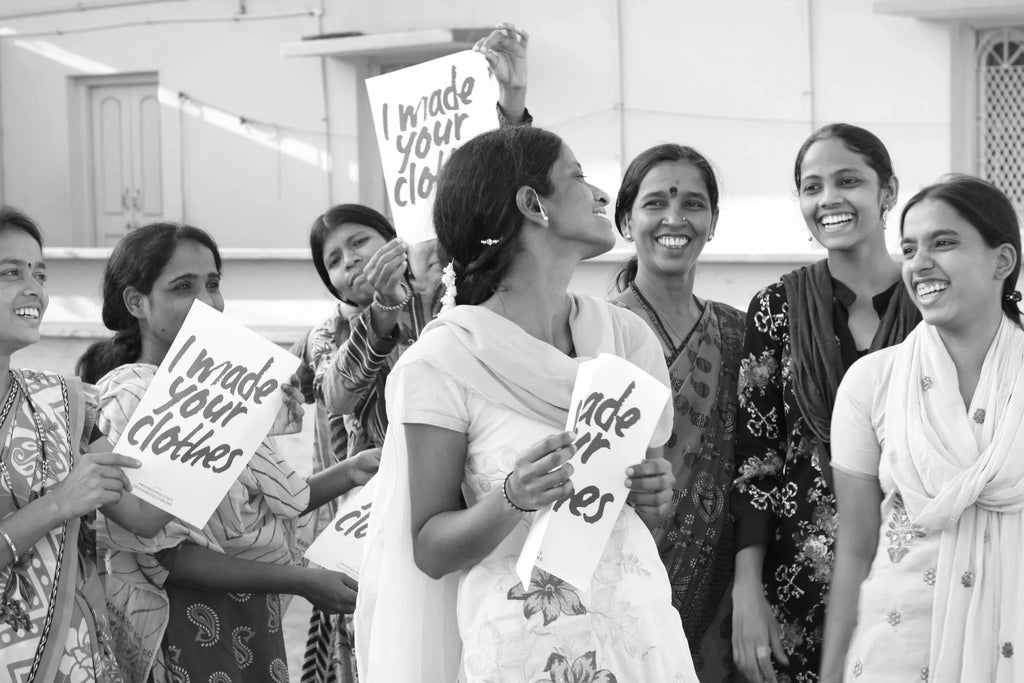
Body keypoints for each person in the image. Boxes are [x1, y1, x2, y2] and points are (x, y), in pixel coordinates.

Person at [354, 125, 699, 682]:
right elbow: (429, 549)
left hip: (638, 634)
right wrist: (511, 497)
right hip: (521, 650)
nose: (599, 196)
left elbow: (639, 511)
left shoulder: (628, 338)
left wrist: (654, 493)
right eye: (579, 177)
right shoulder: (444, 359)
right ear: (532, 204)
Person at [75, 222, 368, 683]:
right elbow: (167, 554)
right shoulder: (134, 399)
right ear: (137, 303)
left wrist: (352, 472)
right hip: (183, 626)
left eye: (213, 284)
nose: (208, 303)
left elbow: (269, 503)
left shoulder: (220, 389)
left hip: (254, 614)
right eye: (183, 287)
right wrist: (300, 580)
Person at [730, 124, 920, 682]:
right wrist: (747, 590)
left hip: (912, 579)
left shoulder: (932, 303)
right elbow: (756, 461)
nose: (828, 200)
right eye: (811, 188)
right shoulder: (776, 309)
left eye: (848, 181)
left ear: (887, 192)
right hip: (793, 595)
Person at [821, 174, 1024, 682]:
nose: (919, 263)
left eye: (944, 242)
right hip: (898, 647)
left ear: (1003, 261)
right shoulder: (872, 381)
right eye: (909, 248)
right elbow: (855, 547)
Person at [611, 144, 745, 681]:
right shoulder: (592, 332)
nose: (675, 218)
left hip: (722, 592)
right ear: (626, 220)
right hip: (624, 586)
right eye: (655, 204)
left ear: (712, 223)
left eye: (693, 204)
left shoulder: (739, 332)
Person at [0, 206, 145, 681]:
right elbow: (69, 501)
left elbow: (147, 513)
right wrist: (60, 503)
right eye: (10, 273)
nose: (34, 290)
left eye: (39, 273)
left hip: (78, 658)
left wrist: (234, 418)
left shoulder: (66, 403)